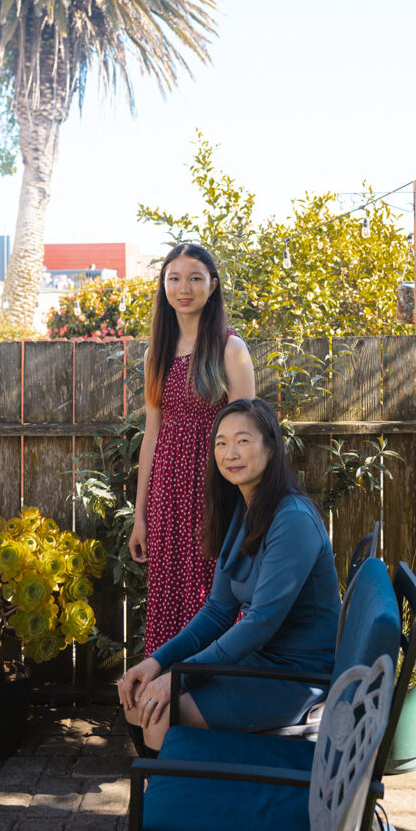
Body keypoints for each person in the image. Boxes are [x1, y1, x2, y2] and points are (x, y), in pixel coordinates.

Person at [119, 397, 341, 752]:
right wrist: (158, 661)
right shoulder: (243, 509)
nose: (230, 453)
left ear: (271, 448)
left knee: (157, 716)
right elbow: (218, 609)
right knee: (137, 700)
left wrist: (178, 677)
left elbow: (259, 624)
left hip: (298, 678)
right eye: (220, 443)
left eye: (243, 440)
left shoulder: (292, 519)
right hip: (261, 663)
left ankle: (197, 800)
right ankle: (171, 797)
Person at [129, 243, 255, 657]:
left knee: (215, 598)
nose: (184, 288)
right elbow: (152, 437)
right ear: (164, 285)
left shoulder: (229, 348)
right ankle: (162, 698)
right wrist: (140, 516)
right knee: (170, 593)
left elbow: (250, 436)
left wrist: (249, 510)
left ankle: (211, 697)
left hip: (215, 493)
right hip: (168, 496)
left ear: (212, 285)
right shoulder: (157, 353)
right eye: (174, 278)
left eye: (195, 278)